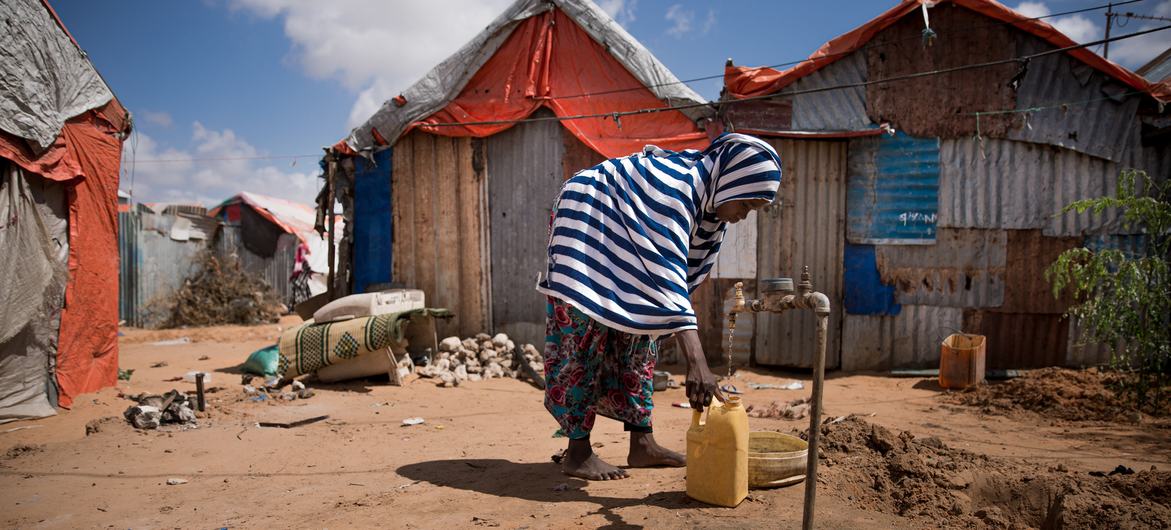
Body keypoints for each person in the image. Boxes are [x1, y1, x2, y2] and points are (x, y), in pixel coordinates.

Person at [536, 133, 782, 480]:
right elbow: (665, 270)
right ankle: (578, 452)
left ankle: (643, 445)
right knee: (582, 338)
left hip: (628, 237)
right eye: (746, 204)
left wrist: (668, 318)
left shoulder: (712, 208)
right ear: (730, 181)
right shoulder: (678, 188)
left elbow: (680, 275)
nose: (744, 215)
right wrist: (696, 361)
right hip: (589, 224)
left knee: (640, 339)